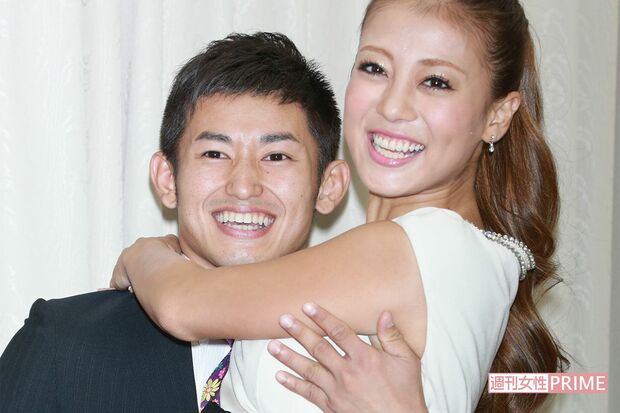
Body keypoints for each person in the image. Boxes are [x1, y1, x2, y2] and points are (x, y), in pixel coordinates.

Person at [111, 1, 568, 412]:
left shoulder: (426, 243)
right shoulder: (439, 252)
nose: (393, 106)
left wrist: (142, 253)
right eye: (375, 68)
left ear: (497, 116)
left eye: (435, 82)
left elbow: (182, 305)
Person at [0, 32, 422, 413]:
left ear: (329, 186)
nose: (244, 186)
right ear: (167, 179)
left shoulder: (380, 359)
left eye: (276, 156)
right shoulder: (64, 343)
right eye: (215, 154)